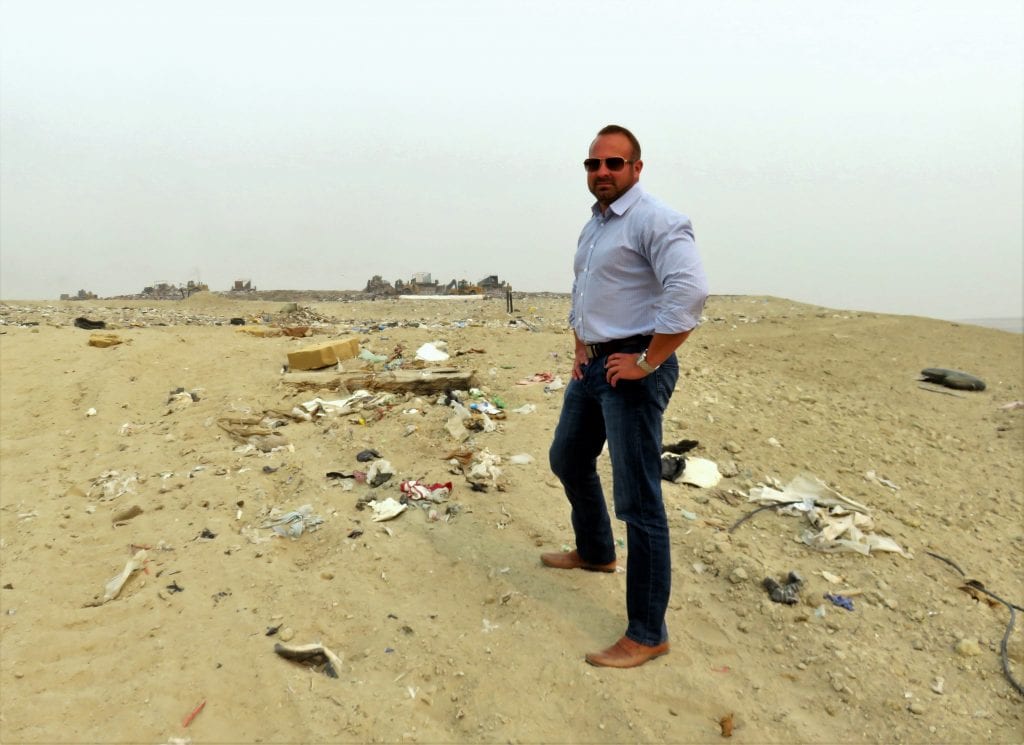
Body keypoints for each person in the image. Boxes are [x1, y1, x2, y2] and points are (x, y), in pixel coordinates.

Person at [544, 124, 709, 668]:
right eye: (593, 165)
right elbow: (586, 291)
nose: (602, 173)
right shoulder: (593, 228)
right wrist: (579, 346)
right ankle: (595, 552)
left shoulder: (655, 220)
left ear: (637, 168)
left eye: (614, 164)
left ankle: (647, 632)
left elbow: (689, 291)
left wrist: (647, 361)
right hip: (594, 365)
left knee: (639, 502)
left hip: (632, 370)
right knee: (567, 456)